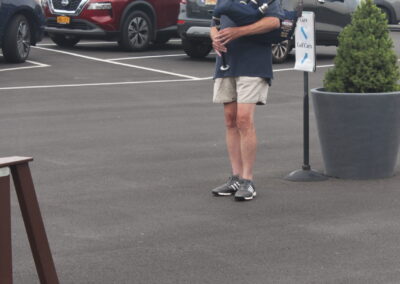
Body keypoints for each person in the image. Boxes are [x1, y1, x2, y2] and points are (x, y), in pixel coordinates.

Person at [210, 0, 282, 201]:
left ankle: (247, 181)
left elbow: (273, 22)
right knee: (230, 120)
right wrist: (215, 38)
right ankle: (235, 177)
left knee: (243, 120)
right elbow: (214, 23)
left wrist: (238, 32)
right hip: (226, 62)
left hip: (253, 63)